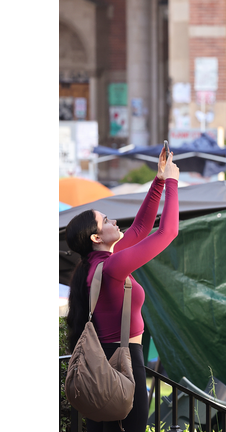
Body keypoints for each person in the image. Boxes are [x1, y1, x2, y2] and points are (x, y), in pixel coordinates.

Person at [65, 150, 180, 432]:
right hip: (123, 360)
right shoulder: (112, 266)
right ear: (96, 237)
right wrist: (174, 184)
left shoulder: (98, 265)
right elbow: (167, 233)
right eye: (106, 221)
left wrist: (159, 180)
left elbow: (141, 228)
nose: (114, 222)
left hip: (101, 360)